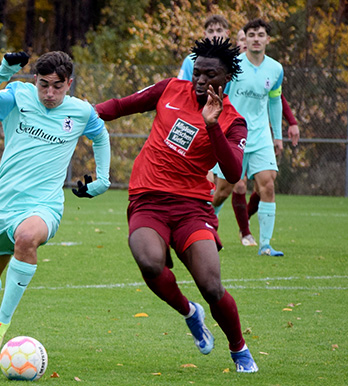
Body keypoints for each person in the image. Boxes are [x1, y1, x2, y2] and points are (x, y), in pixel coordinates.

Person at [95, 37, 259, 373]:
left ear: (225, 78)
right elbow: (119, 106)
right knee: (150, 263)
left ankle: (239, 348)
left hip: (192, 208)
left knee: (212, 287)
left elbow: (231, 171)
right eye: (197, 73)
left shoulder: (233, 121)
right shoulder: (170, 89)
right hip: (147, 200)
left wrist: (212, 125)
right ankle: (189, 313)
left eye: (209, 75)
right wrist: (76, 114)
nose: (199, 80)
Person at [0, 51, 111, 364]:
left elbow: (101, 136)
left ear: (69, 83)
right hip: (1, 203)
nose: (49, 93)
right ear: (35, 80)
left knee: (27, 238)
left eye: (57, 86)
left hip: (44, 204)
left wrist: (104, 178)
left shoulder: (81, 112)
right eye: (43, 85)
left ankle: (0, 327)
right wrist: (3, 70)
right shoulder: (19, 96)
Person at [212, 19, 287, 256]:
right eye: (251, 34)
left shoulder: (275, 69)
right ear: (245, 38)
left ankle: (265, 245)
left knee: (268, 184)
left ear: (267, 39)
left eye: (260, 34)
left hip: (261, 135)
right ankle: (204, 227)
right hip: (234, 134)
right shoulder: (233, 66)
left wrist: (278, 135)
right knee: (223, 190)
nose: (256, 38)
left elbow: (275, 101)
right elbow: (224, 99)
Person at [177, 14, 230, 81]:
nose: (215, 35)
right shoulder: (191, 60)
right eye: (211, 31)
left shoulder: (235, 62)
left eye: (219, 31)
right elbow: (182, 85)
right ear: (205, 34)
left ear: (227, 33)